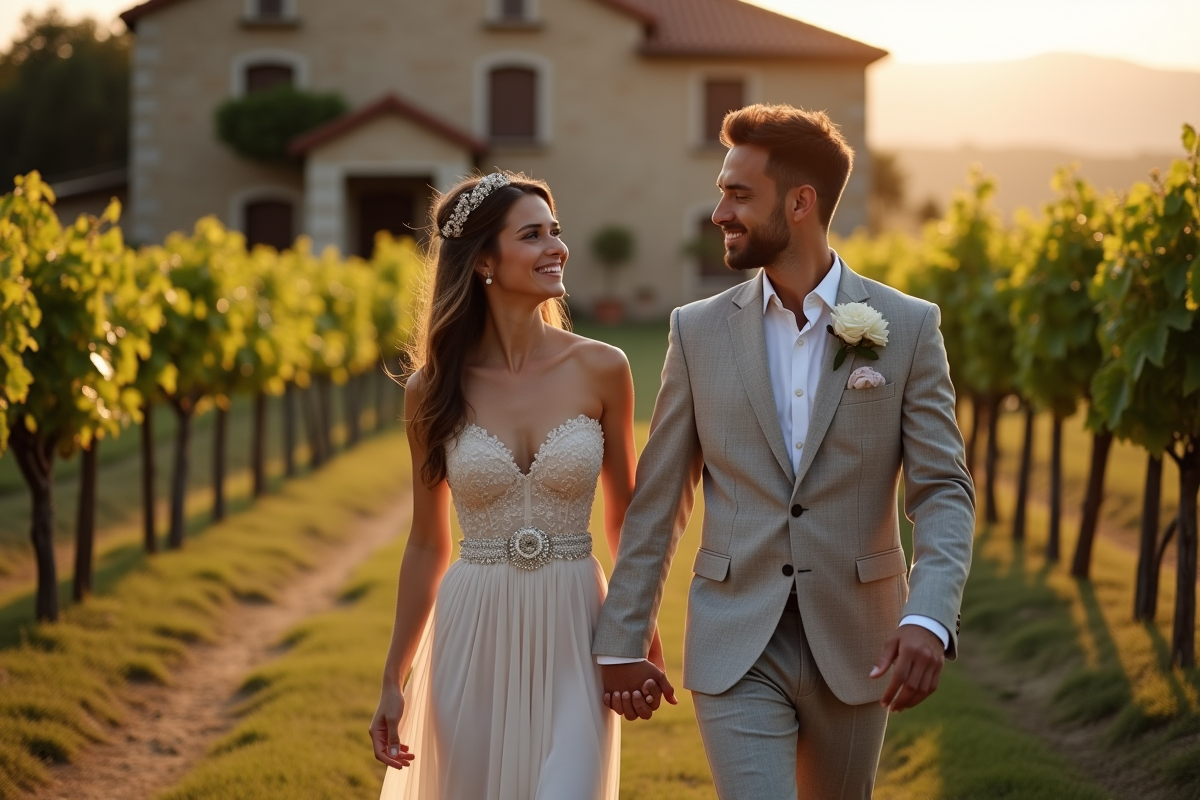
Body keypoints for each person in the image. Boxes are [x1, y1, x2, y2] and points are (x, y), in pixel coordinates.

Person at [593, 104, 976, 799]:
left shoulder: (909, 327)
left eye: (739, 194)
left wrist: (928, 616)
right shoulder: (696, 332)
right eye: (721, 193)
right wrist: (623, 638)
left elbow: (944, 490)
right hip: (735, 639)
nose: (719, 213)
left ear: (801, 203)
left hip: (858, 639)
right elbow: (660, 498)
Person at [369, 171, 663, 800]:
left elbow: (625, 518)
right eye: (532, 235)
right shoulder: (431, 389)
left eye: (556, 231)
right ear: (483, 261)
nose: (557, 248)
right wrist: (394, 677)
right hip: (473, 627)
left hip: (576, 623)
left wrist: (635, 628)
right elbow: (426, 543)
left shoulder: (602, 367)